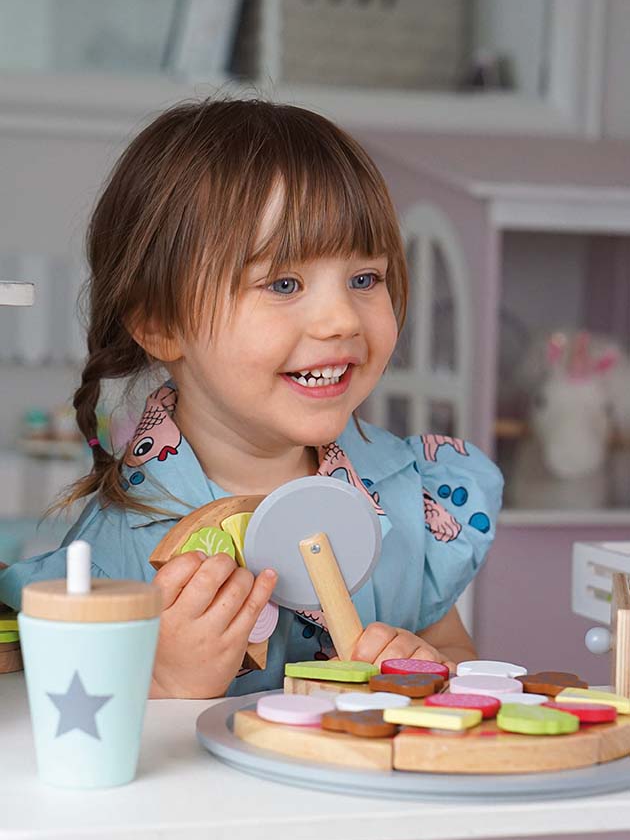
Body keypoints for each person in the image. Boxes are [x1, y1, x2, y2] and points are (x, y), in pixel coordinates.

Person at [0, 98, 503, 698]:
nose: (343, 319)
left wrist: (429, 671)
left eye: (365, 279)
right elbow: (66, 726)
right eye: (283, 284)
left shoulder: (404, 490)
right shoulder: (113, 558)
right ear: (161, 323)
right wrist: (164, 680)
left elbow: (455, 653)